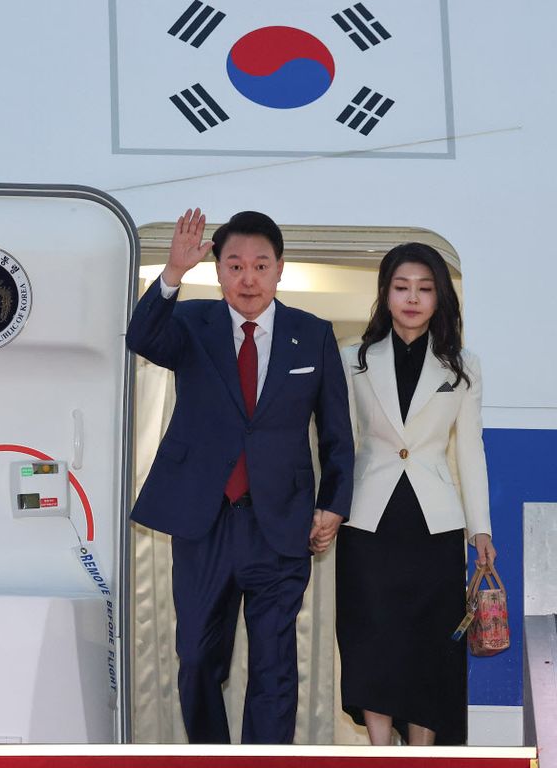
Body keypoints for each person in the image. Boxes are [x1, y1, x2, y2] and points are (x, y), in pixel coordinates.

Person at [127, 208, 354, 744]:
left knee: (275, 667)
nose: (247, 279)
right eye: (234, 266)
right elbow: (142, 337)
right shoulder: (191, 323)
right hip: (204, 522)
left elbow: (336, 433)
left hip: (280, 523)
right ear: (219, 270)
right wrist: (172, 273)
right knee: (197, 657)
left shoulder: (312, 334)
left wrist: (333, 503)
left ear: (280, 269)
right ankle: (211, 756)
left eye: (260, 265)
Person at [335, 242, 496, 747]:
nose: (412, 298)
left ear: (439, 297)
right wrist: (329, 508)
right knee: (371, 636)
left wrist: (481, 529)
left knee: (431, 642)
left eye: (424, 289)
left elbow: (469, 450)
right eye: (401, 287)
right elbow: (341, 444)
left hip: (436, 525)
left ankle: (422, 754)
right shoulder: (353, 359)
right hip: (367, 522)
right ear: (385, 293)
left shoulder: (463, 365)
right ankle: (380, 749)